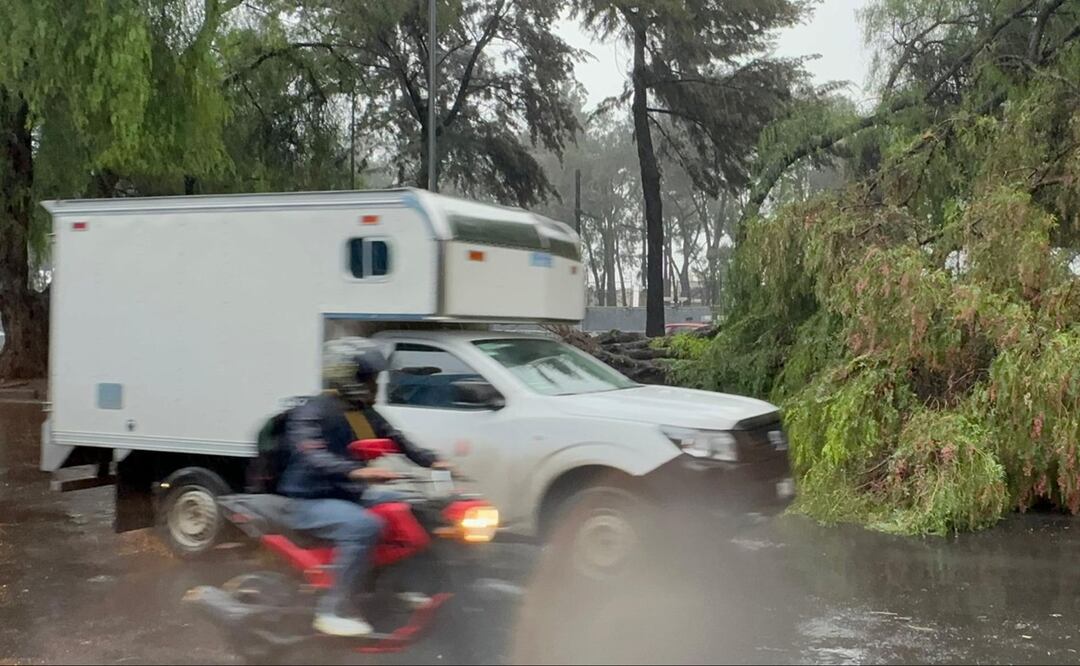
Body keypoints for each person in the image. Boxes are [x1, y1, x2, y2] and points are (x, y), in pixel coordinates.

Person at [276, 337, 449, 637]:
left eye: (375, 378)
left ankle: (401, 586)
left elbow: (397, 439)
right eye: (368, 378)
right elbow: (312, 455)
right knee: (363, 526)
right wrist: (356, 471)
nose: (374, 385)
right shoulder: (312, 412)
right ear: (347, 376)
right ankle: (333, 610)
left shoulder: (363, 413)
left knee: (411, 508)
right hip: (309, 500)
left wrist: (434, 461)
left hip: (350, 495)